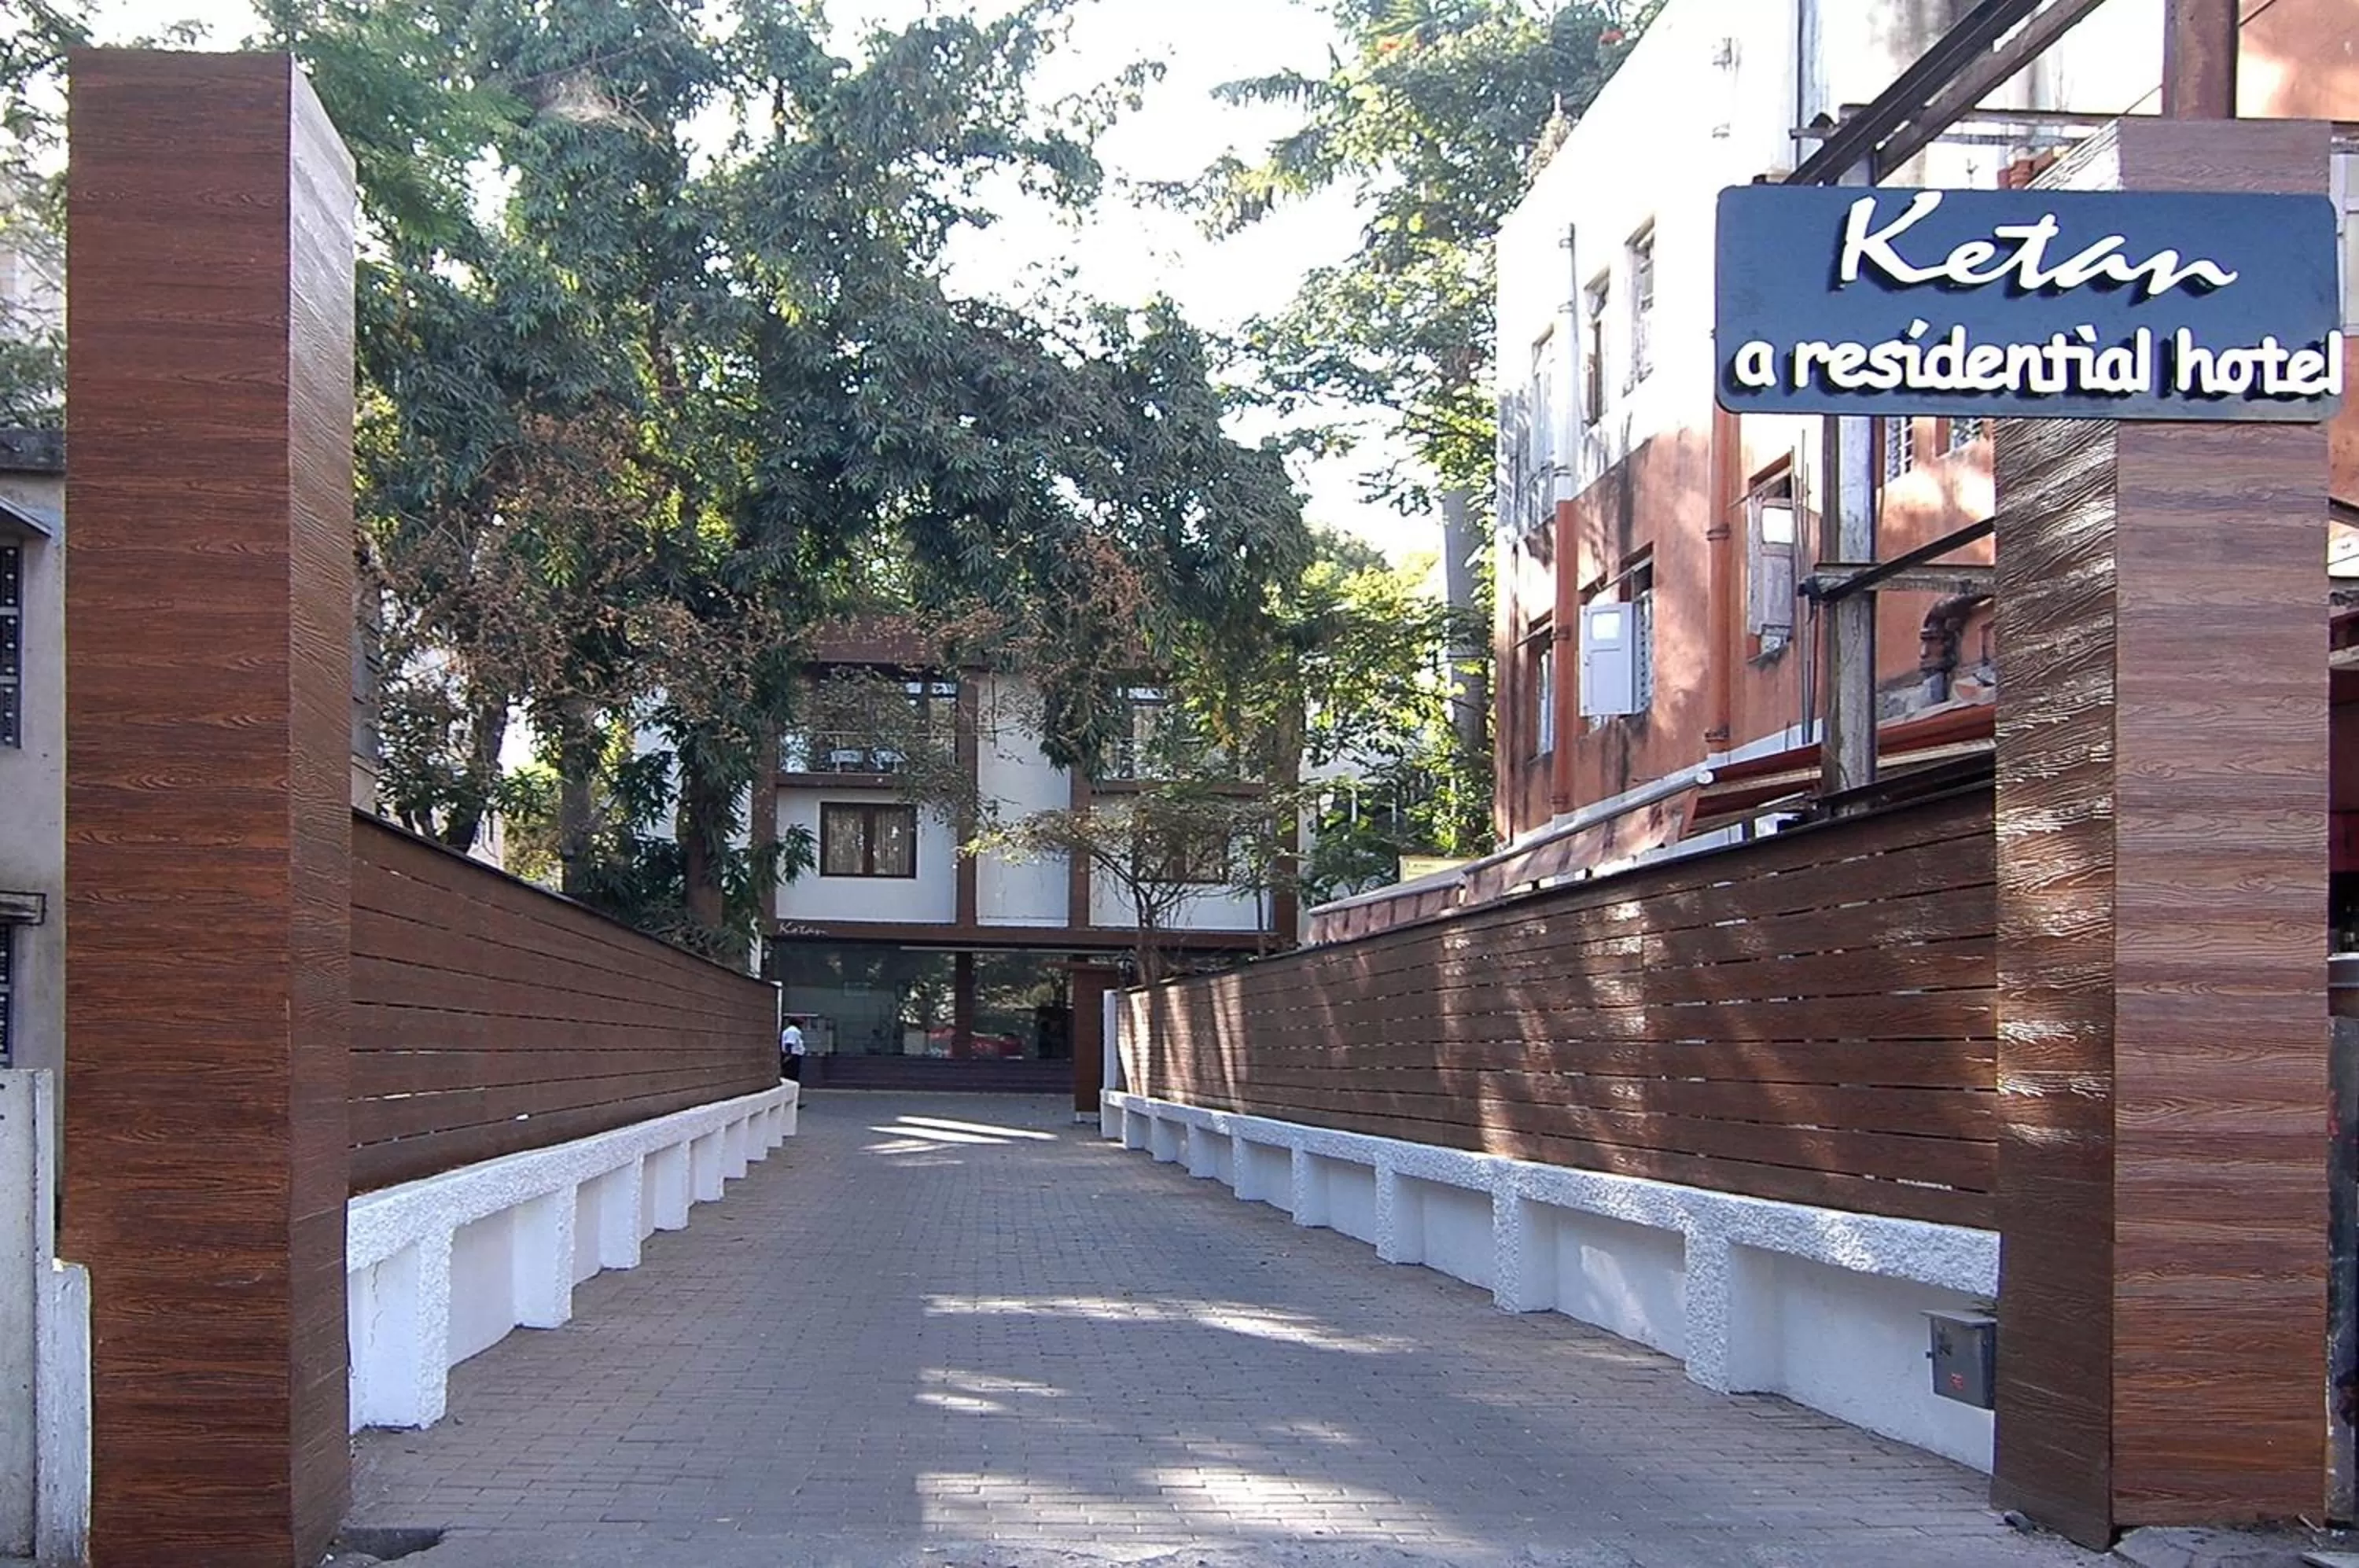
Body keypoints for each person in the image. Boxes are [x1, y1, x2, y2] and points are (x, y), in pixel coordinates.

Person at [780, 1019, 806, 1083]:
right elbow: (789, 1043)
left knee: (791, 1073)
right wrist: (789, 1055)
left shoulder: (790, 1030)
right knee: (792, 1074)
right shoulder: (793, 1031)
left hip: (793, 1055)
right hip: (793, 1055)